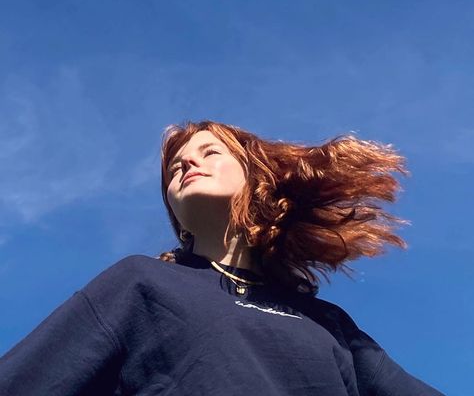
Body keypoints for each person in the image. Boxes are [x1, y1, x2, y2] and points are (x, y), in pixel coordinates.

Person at [0, 120, 446, 395]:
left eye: (209, 151)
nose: (186, 164)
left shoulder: (326, 323)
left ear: (258, 179)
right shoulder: (141, 283)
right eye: (176, 166)